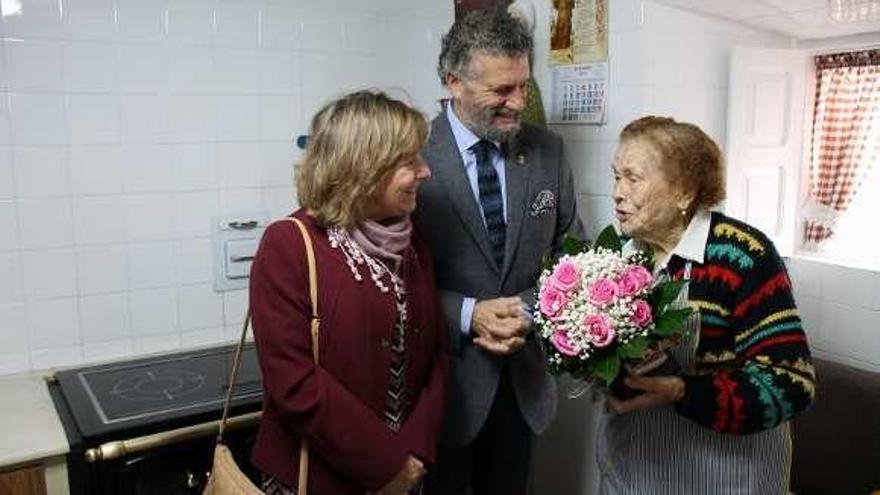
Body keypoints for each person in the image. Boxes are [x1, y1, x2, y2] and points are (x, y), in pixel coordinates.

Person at [599, 115, 816, 494]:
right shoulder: (618, 257)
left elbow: (791, 384)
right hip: (634, 467)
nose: (617, 192)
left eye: (633, 178)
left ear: (685, 192)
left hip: (724, 475)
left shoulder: (742, 256)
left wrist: (682, 390)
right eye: (616, 176)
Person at [416, 10, 584, 495]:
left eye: (523, 86)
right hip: (439, 388)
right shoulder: (412, 155)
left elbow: (570, 257)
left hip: (521, 386)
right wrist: (468, 314)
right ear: (454, 82)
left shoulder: (549, 151)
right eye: (501, 91)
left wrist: (527, 311)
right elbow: (391, 280)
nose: (517, 104)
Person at [249, 90, 449, 495]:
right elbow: (294, 384)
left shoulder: (414, 241)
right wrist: (386, 464)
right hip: (318, 480)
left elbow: (437, 357)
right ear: (365, 167)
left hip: (407, 476)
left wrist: (412, 457)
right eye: (409, 161)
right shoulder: (288, 245)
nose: (425, 171)